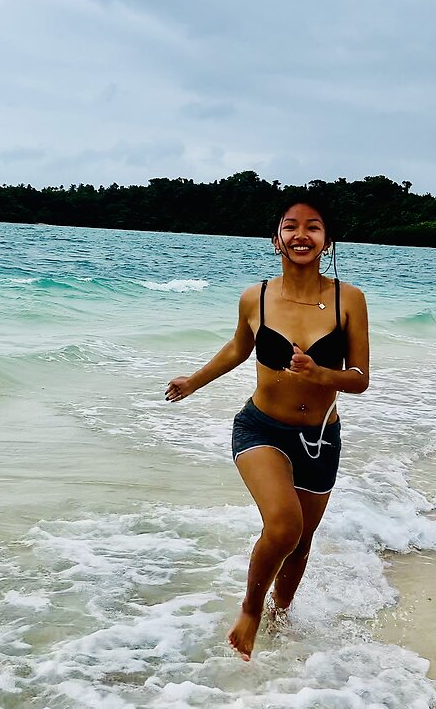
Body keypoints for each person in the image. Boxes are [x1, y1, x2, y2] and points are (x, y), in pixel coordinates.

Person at [165, 198, 370, 661]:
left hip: (319, 439)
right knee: (284, 526)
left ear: (327, 240)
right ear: (275, 238)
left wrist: (319, 374)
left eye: (313, 227)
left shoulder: (349, 299)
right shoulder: (255, 296)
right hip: (261, 428)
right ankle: (251, 611)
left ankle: (281, 615)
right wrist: (194, 381)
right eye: (291, 226)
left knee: (301, 545)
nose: (301, 235)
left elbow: (360, 378)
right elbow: (240, 347)